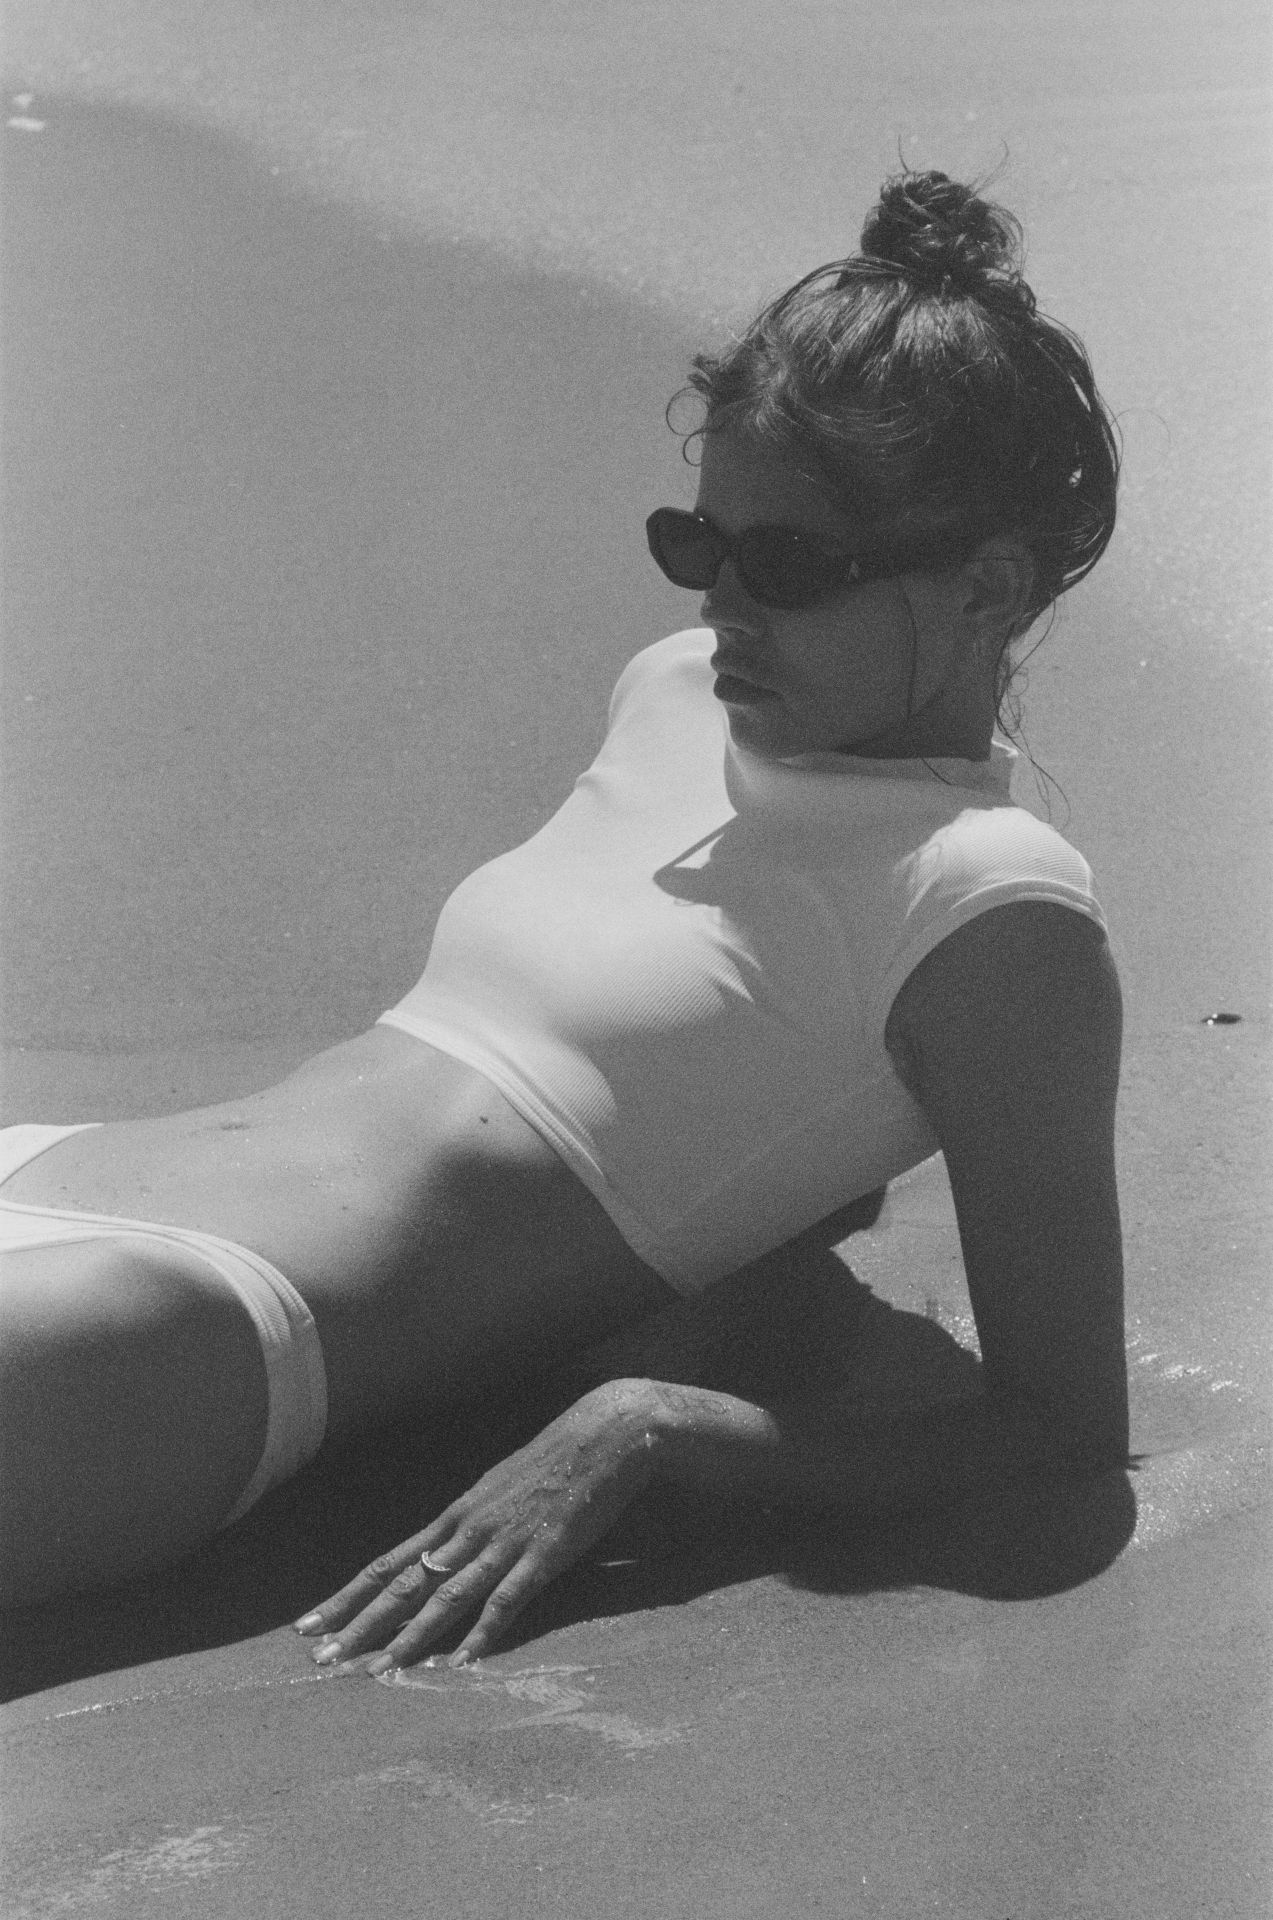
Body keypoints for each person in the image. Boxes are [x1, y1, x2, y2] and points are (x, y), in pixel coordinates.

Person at [0, 170, 1129, 1672]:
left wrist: (652, 1424)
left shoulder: (990, 909)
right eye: (699, 544)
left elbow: (1061, 1428)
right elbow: (744, 1129)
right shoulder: (676, 692)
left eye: (787, 566)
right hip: (52, 1161)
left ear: (987, 583)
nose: (722, 606)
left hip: (177, 1329)